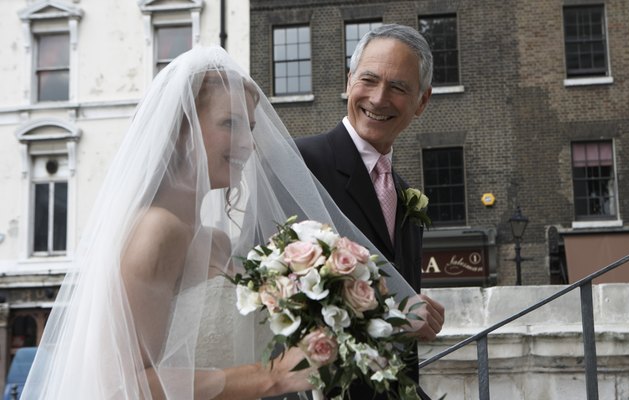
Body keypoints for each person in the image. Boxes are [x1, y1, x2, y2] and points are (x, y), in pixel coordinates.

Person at [21, 46, 401, 400]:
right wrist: (270, 376)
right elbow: (124, 381)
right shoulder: (156, 231)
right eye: (230, 124)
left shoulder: (216, 241)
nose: (247, 144)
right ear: (180, 130)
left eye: (249, 128)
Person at [296, 24, 446, 399]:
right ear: (349, 82)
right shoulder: (298, 164)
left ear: (422, 102)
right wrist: (396, 315)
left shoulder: (406, 194)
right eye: (368, 79)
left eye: (398, 87)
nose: (379, 99)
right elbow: (272, 298)